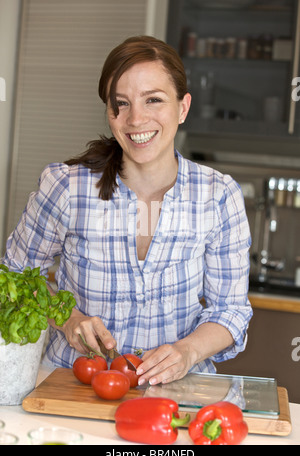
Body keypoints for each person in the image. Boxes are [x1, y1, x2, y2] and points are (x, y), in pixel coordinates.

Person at [1, 36, 252, 386]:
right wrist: (67, 318)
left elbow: (231, 310)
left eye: (153, 100)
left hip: (176, 393)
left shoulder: (218, 196)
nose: (136, 119)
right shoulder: (66, 188)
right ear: (109, 112)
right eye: (121, 103)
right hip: (73, 383)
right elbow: (14, 278)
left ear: (182, 108)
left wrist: (188, 352)